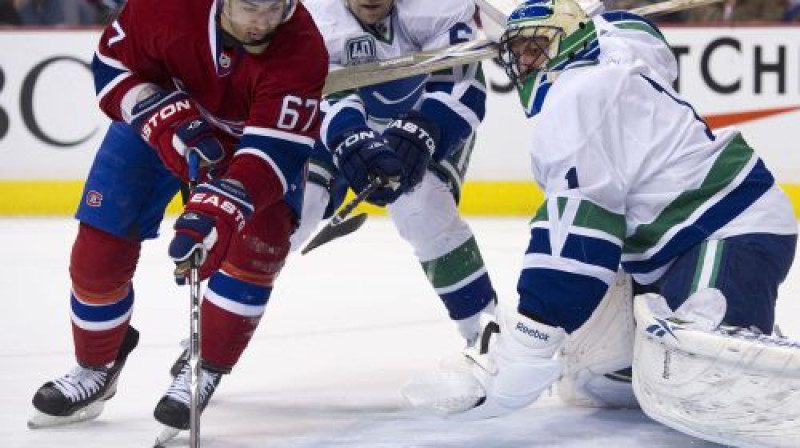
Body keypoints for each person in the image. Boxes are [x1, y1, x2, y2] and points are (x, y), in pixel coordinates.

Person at [415, 0, 798, 445]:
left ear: (570, 43)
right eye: (517, 52)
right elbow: (642, 33)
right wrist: (594, 18)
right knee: (591, 369)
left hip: (729, 227)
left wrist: (526, 348)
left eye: (534, 49)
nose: (523, 63)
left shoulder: (574, 100)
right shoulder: (617, 47)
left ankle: (739, 339)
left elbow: (580, 242)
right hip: (659, 253)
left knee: (696, 365)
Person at [28, 0, 327, 433]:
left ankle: (204, 367)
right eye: (249, 8)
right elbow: (112, 64)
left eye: (276, 8)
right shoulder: (164, 6)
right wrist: (160, 115)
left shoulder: (302, 47)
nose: (263, 23)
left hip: (248, 147)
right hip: (158, 124)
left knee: (258, 250)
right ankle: (97, 365)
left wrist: (218, 208)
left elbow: (275, 152)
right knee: (98, 249)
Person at [293, 0, 497, 350]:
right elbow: (318, 94)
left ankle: (486, 334)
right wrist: (350, 138)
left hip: (426, 108)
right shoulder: (313, 14)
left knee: (421, 207)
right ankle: (213, 333)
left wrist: (426, 129)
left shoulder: (436, 6)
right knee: (292, 211)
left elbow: (465, 83)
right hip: (339, 115)